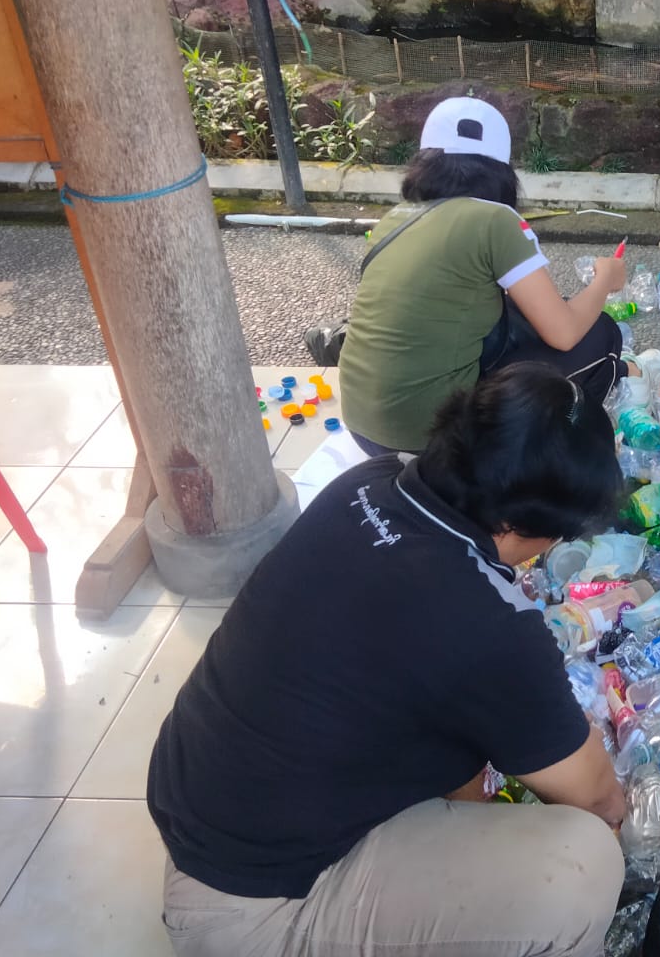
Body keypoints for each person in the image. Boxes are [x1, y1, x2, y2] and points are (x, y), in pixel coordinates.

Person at [148, 363, 628, 957]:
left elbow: (429, 681)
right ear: (517, 524)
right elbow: (595, 794)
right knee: (585, 863)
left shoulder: (369, 482)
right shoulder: (487, 621)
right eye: (560, 534)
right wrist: (622, 819)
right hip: (251, 912)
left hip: (204, 814)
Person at [338, 96, 628, 455]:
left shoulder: (395, 218)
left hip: (361, 428)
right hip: (430, 439)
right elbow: (564, 334)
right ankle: (536, 464)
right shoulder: (495, 220)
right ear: (502, 171)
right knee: (601, 335)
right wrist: (605, 279)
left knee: (519, 314)